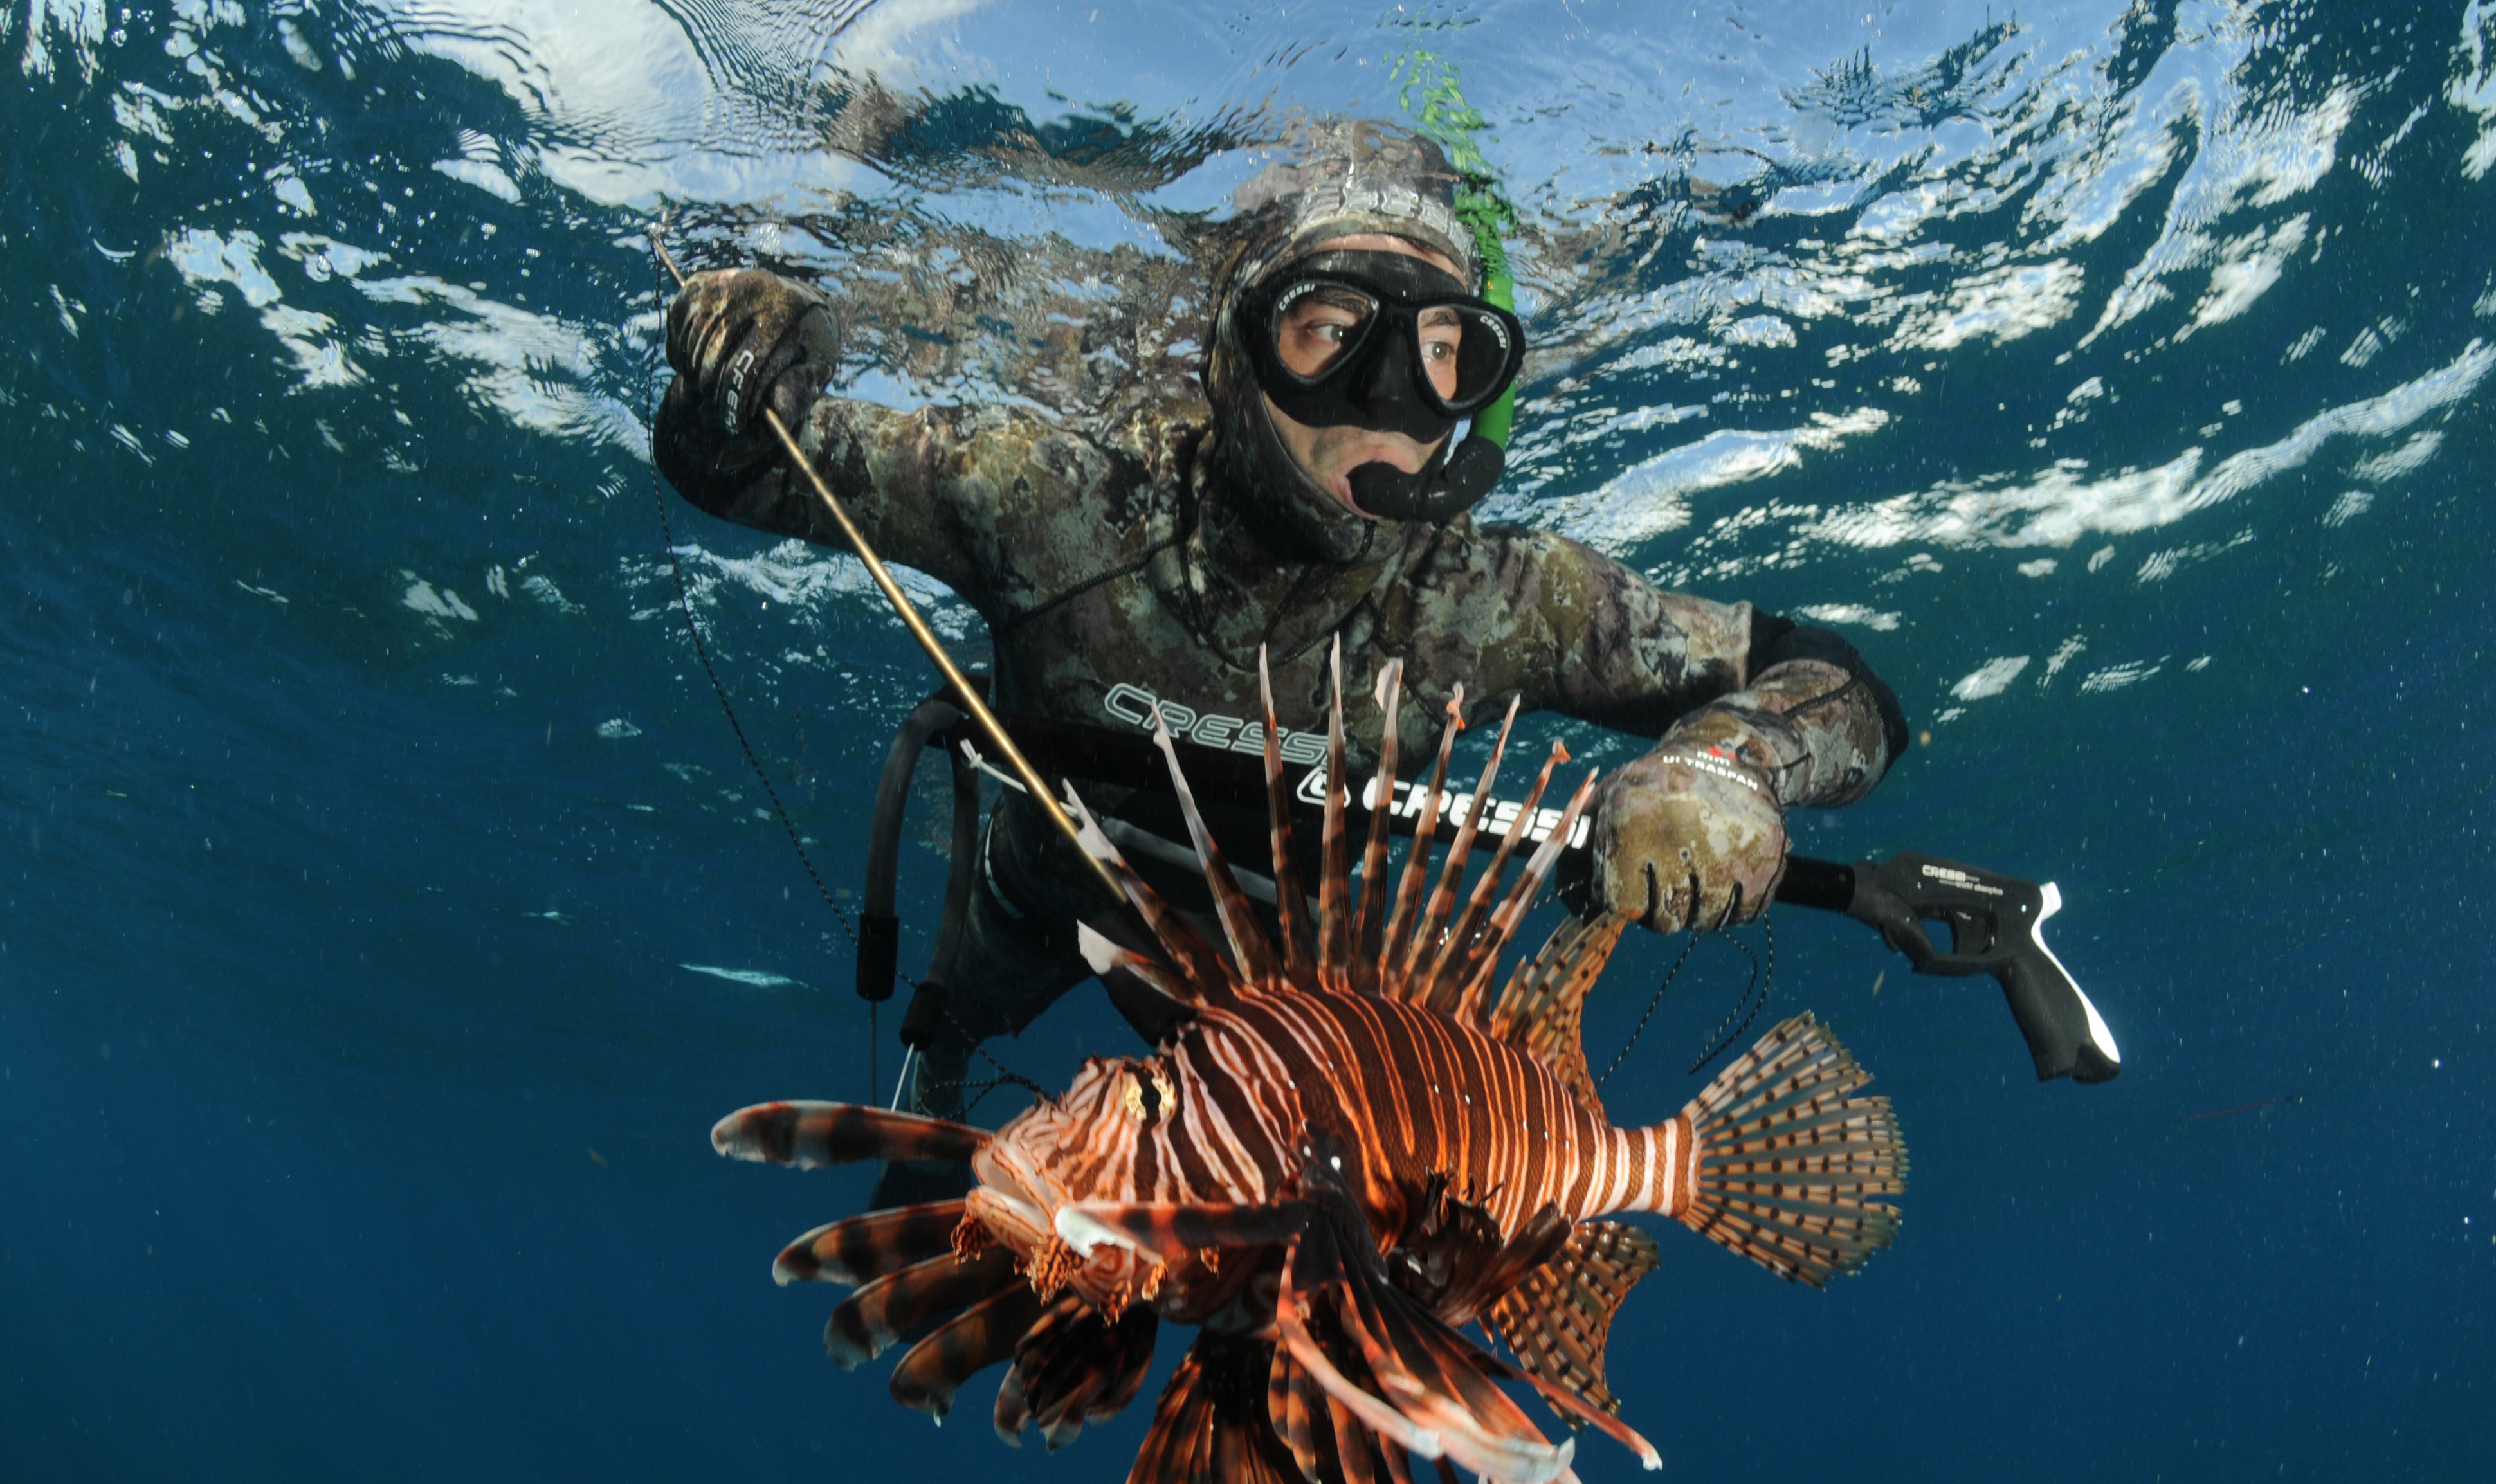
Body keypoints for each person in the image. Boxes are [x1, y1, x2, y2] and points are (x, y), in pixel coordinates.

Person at [653, 120, 1907, 1164]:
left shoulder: (1502, 596)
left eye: (1442, 353)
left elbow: (1838, 686)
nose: (1390, 398)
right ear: (1234, 356)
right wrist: (748, 356)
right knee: (962, 1014)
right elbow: (748, 471)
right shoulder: (1050, 498)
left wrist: (1727, 765)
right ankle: (945, 1043)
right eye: (1330, 332)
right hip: (1033, 892)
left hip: (1295, 985)